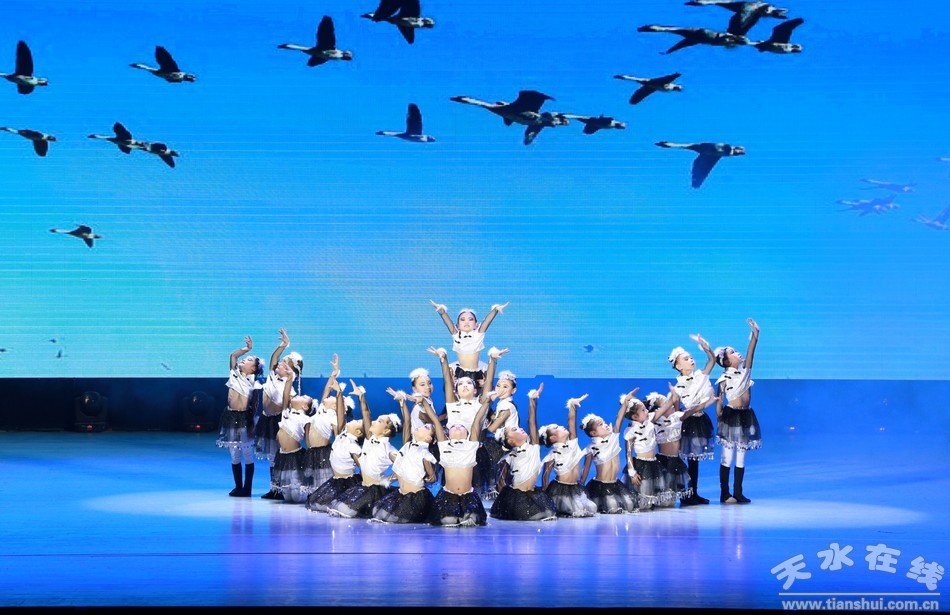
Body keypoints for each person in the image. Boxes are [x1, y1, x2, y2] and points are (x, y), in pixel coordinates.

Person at [429, 345, 505, 498]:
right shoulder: (452, 404)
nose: (465, 385)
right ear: (456, 391)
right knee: (453, 487)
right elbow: (447, 380)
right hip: (454, 450)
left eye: (469, 383)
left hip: (474, 450)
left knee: (473, 488)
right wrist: (443, 360)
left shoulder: (480, 403)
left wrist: (492, 360)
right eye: (461, 383)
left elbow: (489, 382)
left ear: (475, 390)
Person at [415, 392, 493, 527]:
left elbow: (477, 420)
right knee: (447, 521)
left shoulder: (471, 445)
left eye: (462, 426)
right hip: (448, 495)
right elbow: (435, 420)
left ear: (468, 434)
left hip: (468, 495)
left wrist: (487, 402)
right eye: (453, 426)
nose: (457, 426)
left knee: (472, 520)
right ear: (447, 434)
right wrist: (424, 402)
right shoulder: (444, 445)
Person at [326, 380, 400, 518]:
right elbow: (366, 413)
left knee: (347, 510)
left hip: (375, 490)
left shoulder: (388, 448)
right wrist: (361, 396)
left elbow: (404, 467)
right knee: (340, 508)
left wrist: (388, 479)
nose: (373, 421)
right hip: (363, 487)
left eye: (379, 421)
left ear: (386, 431)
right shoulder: (369, 439)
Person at [490, 383, 558, 522]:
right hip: (517, 496)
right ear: (510, 441)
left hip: (532, 493)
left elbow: (532, 422)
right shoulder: (509, 457)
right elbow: (501, 480)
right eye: (514, 430)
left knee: (542, 514)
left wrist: (532, 400)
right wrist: (504, 500)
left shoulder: (533, 446)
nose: (520, 429)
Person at [370, 390, 438, 524]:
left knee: (394, 517)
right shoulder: (407, 444)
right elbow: (407, 422)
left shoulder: (425, 453)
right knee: (378, 512)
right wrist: (402, 402)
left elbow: (432, 477)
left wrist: (428, 477)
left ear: (428, 438)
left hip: (415, 498)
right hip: (401, 494)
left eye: (425, 427)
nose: (420, 426)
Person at [713, 318, 761, 504]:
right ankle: (725, 493)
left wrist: (755, 334)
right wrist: (719, 418)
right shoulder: (724, 378)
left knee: (741, 456)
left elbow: (751, 353)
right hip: (731, 416)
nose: (737, 352)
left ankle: (738, 492)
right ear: (726, 361)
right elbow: (719, 399)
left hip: (745, 416)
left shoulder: (745, 372)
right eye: (732, 352)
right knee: (727, 456)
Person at [669, 335, 719, 505]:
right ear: (678, 366)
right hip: (687, 422)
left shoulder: (700, 376)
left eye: (691, 357)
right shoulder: (678, 387)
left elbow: (712, 360)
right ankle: (685, 495)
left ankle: (694, 493)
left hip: (700, 421)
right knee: (683, 460)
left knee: (694, 461)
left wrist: (705, 345)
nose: (691, 360)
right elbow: (680, 410)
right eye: (686, 359)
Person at [256, 329, 303, 500]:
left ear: (292, 372)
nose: (280, 364)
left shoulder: (288, 387)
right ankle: (274, 488)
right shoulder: (272, 375)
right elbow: (273, 357)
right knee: (271, 457)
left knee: (279, 455)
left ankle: (282, 487)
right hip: (266, 419)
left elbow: (285, 407)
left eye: (285, 364)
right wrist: (284, 345)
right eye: (281, 362)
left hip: (278, 421)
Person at [306, 378, 364, 513]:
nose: (329, 396)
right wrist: (334, 374)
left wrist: (339, 395)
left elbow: (340, 422)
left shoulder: (333, 417)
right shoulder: (322, 409)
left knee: (325, 481)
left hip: (324, 452)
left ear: (335, 407)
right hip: (314, 452)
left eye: (333, 398)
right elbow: (326, 390)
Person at [429, 299, 509, 394]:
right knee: (455, 394)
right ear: (457, 325)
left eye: (470, 319)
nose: (466, 322)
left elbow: (487, 321)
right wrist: (442, 311)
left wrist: (495, 310)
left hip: (477, 372)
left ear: (476, 325)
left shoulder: (478, 334)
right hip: (459, 371)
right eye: (462, 320)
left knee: (481, 395)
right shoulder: (456, 334)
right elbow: (448, 322)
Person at [216, 335, 263, 497]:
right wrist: (247, 349)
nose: (244, 359)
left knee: (247, 452)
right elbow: (233, 356)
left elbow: (255, 404)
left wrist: (252, 422)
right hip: (230, 416)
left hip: (244, 418)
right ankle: (238, 486)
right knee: (234, 453)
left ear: (254, 369)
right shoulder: (234, 373)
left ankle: (247, 488)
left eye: (249, 360)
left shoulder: (253, 382)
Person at [539, 393, 597, 518]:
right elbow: (545, 476)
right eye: (557, 428)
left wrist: (572, 405)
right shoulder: (552, 454)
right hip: (560, 489)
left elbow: (571, 421)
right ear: (553, 438)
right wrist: (545, 498)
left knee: (591, 508)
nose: (561, 426)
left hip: (575, 487)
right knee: (576, 510)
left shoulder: (573, 443)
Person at [579, 395, 638, 514]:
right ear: (593, 433)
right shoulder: (591, 447)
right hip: (601, 485)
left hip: (615, 484)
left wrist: (625, 403)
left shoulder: (613, 437)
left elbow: (619, 418)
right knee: (612, 507)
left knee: (630, 505)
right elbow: (586, 468)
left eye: (604, 422)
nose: (605, 424)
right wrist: (581, 486)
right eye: (601, 424)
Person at [273, 376, 315, 503]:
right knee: (287, 495)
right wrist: (290, 378)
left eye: (303, 397)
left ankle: (306, 495)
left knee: (296, 496)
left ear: (305, 407)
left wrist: (311, 456)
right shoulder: (286, 412)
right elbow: (286, 394)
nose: (298, 395)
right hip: (283, 455)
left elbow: (308, 440)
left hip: (295, 456)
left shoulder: (306, 419)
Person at [648, 389, 692, 507]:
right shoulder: (655, 422)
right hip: (664, 460)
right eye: (667, 403)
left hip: (676, 459)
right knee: (664, 489)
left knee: (672, 494)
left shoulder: (675, 418)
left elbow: (678, 412)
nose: (670, 404)